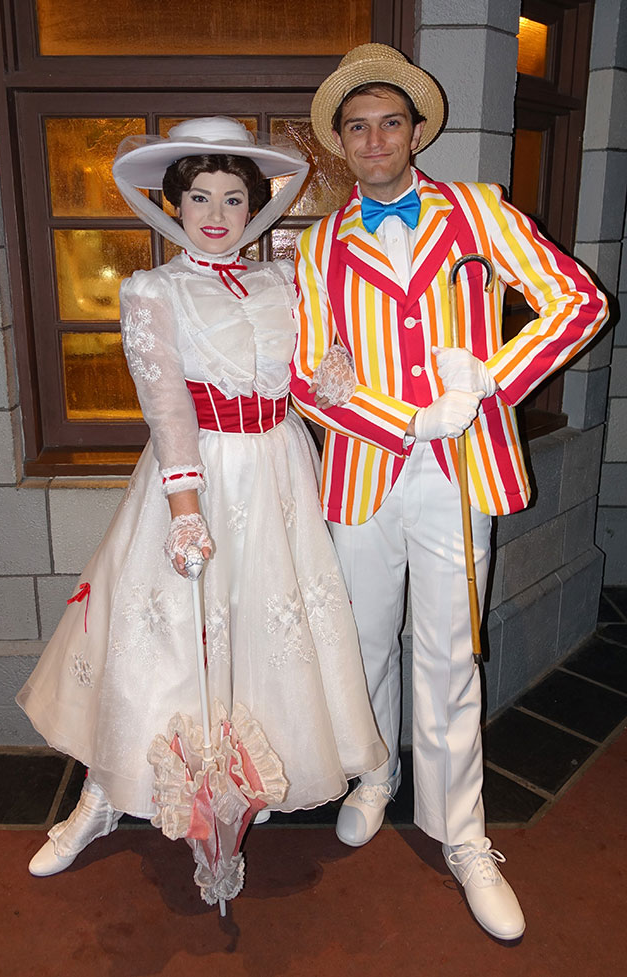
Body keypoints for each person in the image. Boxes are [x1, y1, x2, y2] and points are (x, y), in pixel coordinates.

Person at [291, 44, 609, 941]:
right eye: (358, 126)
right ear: (341, 145)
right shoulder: (318, 249)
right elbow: (312, 377)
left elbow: (578, 303)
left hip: (460, 469)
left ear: (417, 130)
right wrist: (404, 419)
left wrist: (489, 383)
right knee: (360, 640)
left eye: (390, 121)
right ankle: (373, 774)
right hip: (364, 470)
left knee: (447, 649)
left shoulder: (478, 213)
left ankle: (462, 831)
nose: (375, 137)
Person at [17, 116, 386, 878]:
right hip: (199, 475)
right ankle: (104, 794)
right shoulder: (154, 289)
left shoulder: (282, 280)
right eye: (200, 198)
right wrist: (186, 508)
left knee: (262, 634)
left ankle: (248, 786)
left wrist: (331, 375)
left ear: (253, 208)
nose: (217, 214)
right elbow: (166, 403)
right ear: (175, 206)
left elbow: (303, 376)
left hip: (281, 471)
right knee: (163, 644)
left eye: (232, 198)